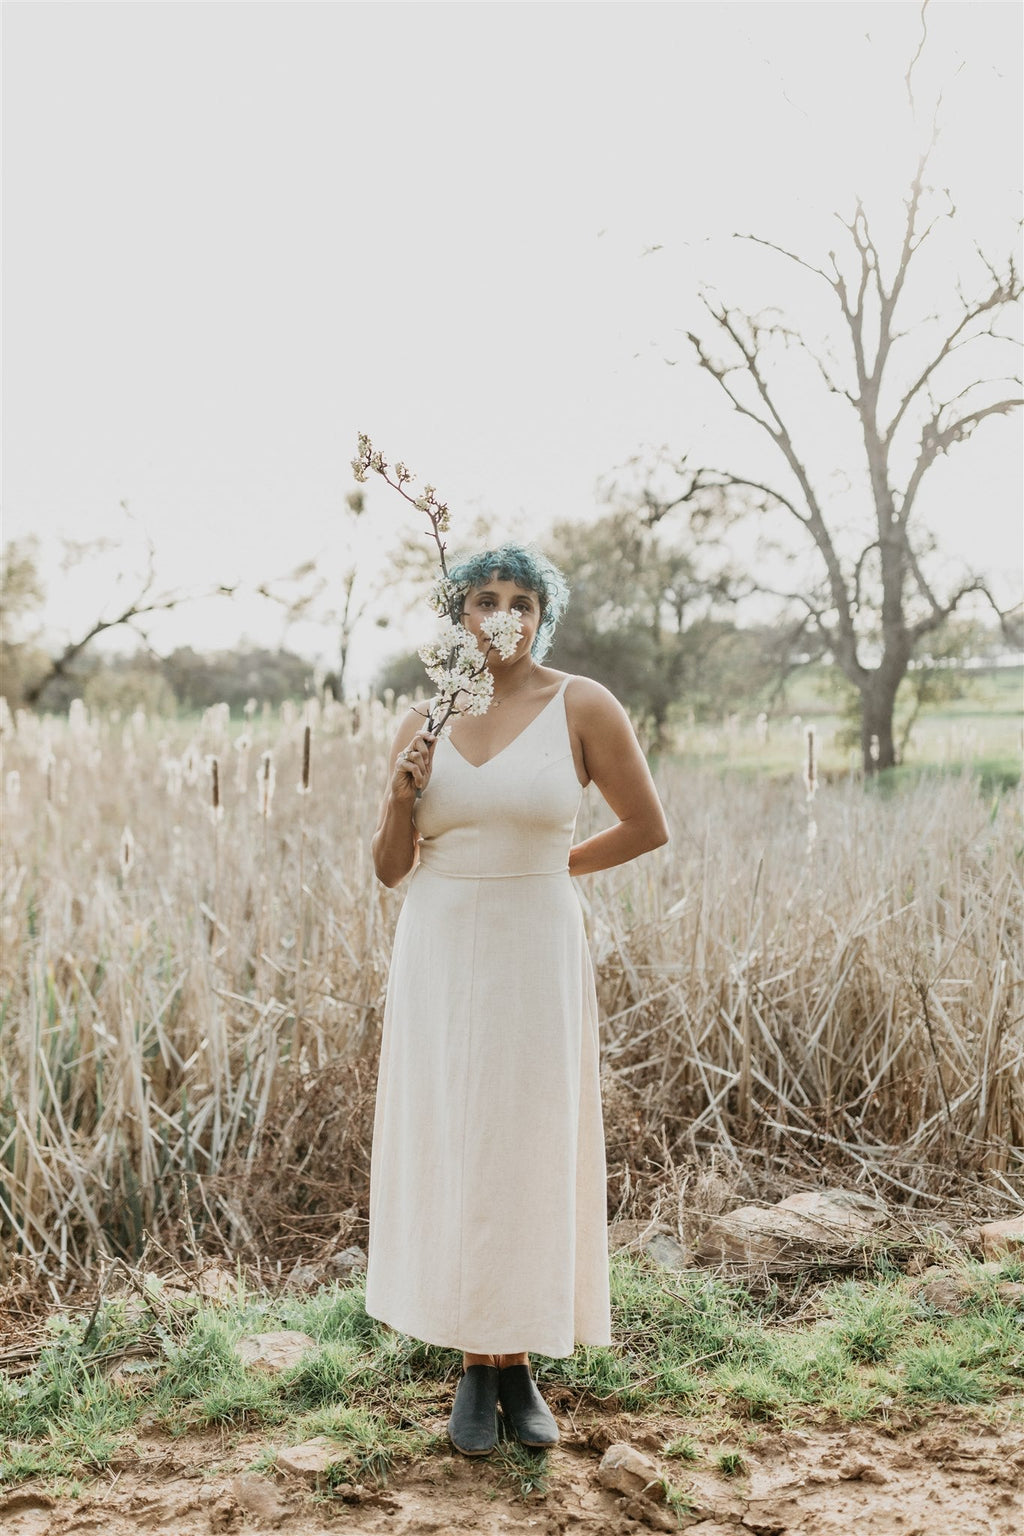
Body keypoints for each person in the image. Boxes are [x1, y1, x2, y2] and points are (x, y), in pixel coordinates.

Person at [365, 544, 669, 1456]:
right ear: (458, 618)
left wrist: (545, 868)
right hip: (439, 945)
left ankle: (521, 1361)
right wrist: (399, 793)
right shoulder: (427, 718)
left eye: (522, 600)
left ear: (544, 615)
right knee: (458, 1140)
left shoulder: (580, 703)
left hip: (535, 944)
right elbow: (389, 867)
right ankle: (473, 1362)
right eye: (484, 599)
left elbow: (647, 825)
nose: (503, 613)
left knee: (528, 1141)